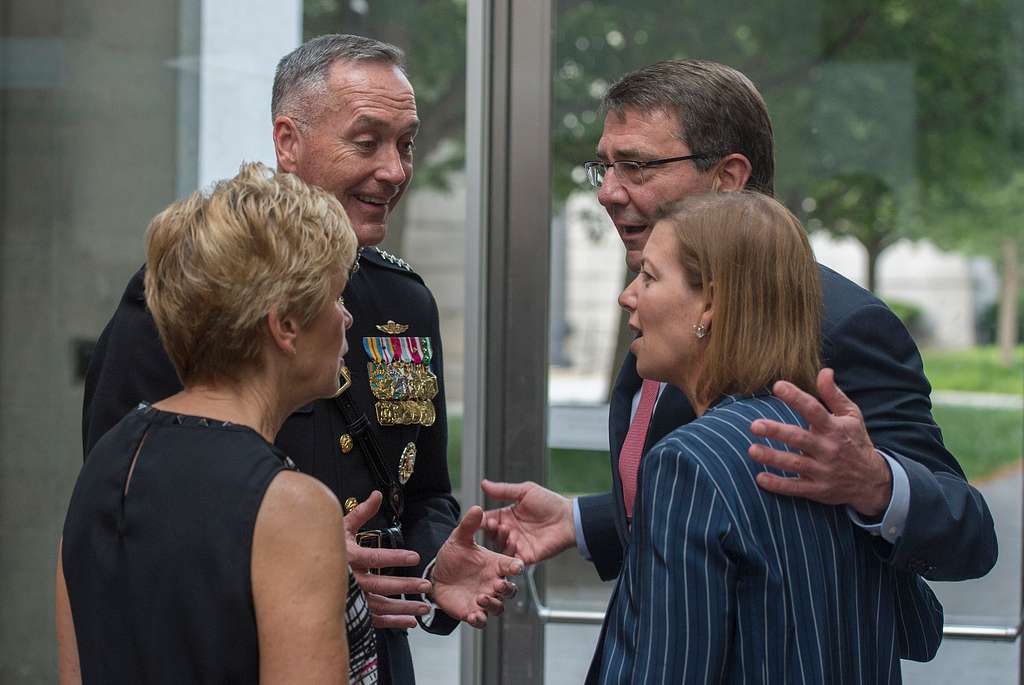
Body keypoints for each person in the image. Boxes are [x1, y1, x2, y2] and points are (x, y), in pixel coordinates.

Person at [82, 35, 521, 684]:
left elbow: (424, 492)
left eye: (406, 143)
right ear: (288, 141)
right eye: (367, 141)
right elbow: (119, 510)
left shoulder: (403, 300)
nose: (396, 170)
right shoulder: (181, 300)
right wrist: (300, 559)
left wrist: (427, 569)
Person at [482, 59, 996, 584]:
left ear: (729, 178)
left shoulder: (842, 325)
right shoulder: (658, 305)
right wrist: (579, 520)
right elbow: (714, 496)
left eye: (636, 167)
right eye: (605, 167)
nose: (608, 192)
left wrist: (874, 485)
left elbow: (969, 534)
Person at [591, 192, 943, 683]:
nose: (628, 295)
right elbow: (919, 630)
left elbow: (667, 667)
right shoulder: (835, 455)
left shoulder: (689, 462)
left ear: (710, 302)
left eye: (649, 276)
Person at [59, 162, 374, 683]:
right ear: (286, 325)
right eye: (335, 296)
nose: (347, 318)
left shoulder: (105, 464)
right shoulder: (291, 506)